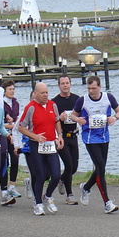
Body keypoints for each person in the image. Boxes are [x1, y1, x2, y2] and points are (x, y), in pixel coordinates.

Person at [71, 75, 119, 214]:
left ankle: (86, 187)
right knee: (100, 167)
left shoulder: (108, 98)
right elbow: (73, 115)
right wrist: (78, 119)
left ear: (100, 87)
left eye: (94, 88)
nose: (91, 91)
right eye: (89, 88)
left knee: (101, 167)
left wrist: (114, 118)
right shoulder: (82, 100)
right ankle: (107, 202)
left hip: (104, 137)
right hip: (89, 138)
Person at [18, 82, 64, 216]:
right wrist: (35, 136)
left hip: (50, 144)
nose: (45, 95)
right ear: (35, 94)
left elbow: (56, 121)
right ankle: (37, 203)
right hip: (36, 145)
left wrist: (59, 136)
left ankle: (47, 196)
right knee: (40, 176)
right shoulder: (30, 108)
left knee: (56, 175)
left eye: (46, 92)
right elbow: (21, 127)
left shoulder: (52, 105)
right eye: (42, 93)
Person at [52, 75, 80, 205]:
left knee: (74, 167)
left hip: (73, 136)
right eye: (62, 83)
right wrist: (60, 119)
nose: (65, 85)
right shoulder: (54, 102)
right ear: (59, 86)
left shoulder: (77, 99)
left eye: (67, 83)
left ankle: (62, 179)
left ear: (70, 84)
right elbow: (51, 121)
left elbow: (82, 114)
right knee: (68, 165)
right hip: (62, 137)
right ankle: (70, 195)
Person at [0, 79, 21, 203]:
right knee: (4, 162)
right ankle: (4, 189)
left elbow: (17, 118)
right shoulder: (1, 103)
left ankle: (12, 186)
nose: (12, 91)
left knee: (15, 159)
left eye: (13, 89)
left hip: (14, 134)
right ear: (4, 91)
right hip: (4, 134)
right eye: (10, 89)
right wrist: (9, 125)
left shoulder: (15, 103)